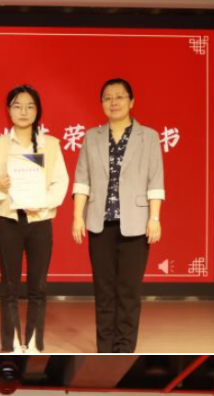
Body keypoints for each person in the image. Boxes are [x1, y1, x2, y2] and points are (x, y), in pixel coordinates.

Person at [71, 78, 165, 353]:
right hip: (99, 223)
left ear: (131, 101)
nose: (113, 102)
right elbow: (82, 180)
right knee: (103, 290)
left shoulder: (149, 137)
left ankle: (124, 346)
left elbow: (155, 180)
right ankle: (105, 346)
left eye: (119, 97)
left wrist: (154, 218)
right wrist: (78, 216)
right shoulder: (92, 137)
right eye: (107, 98)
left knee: (129, 290)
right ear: (102, 103)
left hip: (135, 223)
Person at [0, 85, 69, 353]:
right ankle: (9, 345)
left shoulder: (50, 144)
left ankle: (34, 344)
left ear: (37, 111)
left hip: (40, 222)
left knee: (38, 287)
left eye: (30, 106)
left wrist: (41, 202)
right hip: (9, 221)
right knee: (9, 287)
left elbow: (61, 182)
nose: (23, 111)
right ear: (9, 110)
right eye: (17, 106)